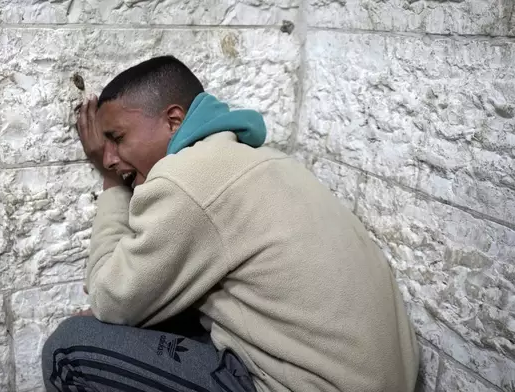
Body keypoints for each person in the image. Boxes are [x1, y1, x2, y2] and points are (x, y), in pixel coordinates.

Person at [42, 55, 419, 392]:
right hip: (380, 378)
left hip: (310, 383)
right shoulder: (258, 156)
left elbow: (110, 301)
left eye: (117, 138)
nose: (109, 157)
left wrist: (112, 186)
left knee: (68, 348)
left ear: (174, 120)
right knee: (172, 310)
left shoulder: (184, 179)